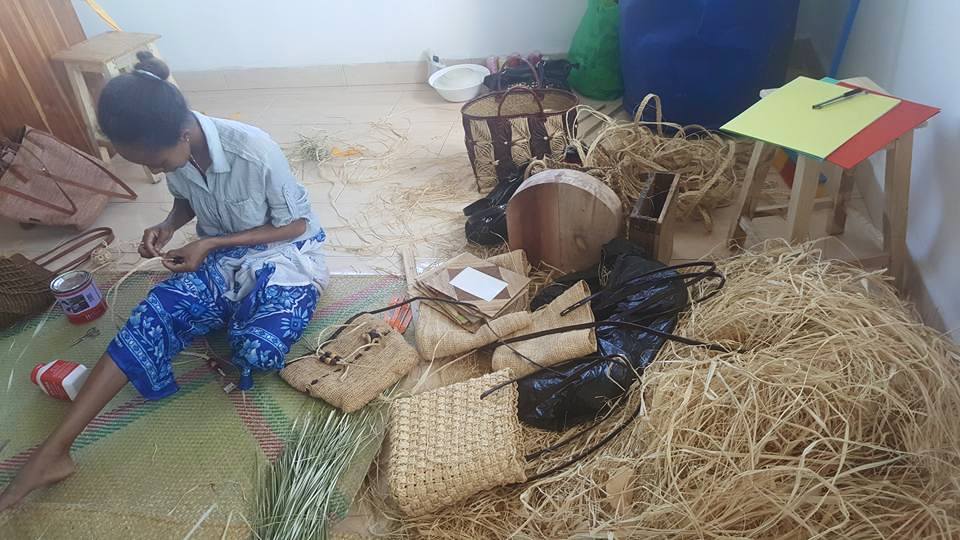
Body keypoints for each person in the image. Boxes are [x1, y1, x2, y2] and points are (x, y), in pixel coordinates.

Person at [0, 51, 329, 511]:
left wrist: (209, 244)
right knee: (152, 315)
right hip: (221, 258)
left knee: (258, 351)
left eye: (157, 162)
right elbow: (185, 200)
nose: (155, 171)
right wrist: (169, 226)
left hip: (285, 257)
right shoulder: (175, 150)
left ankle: (232, 316)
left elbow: (295, 226)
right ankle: (53, 453)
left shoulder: (254, 150)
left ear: (183, 134)